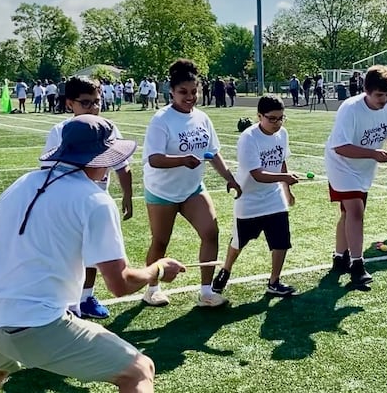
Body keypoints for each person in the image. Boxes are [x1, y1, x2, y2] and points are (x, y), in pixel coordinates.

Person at [0, 114, 187, 393]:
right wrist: (160, 269)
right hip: (34, 324)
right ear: (98, 158)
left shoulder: (20, 184)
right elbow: (120, 284)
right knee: (139, 370)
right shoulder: (94, 199)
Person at [141, 58, 241, 308]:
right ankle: (151, 289)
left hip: (192, 189)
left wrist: (230, 178)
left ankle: (206, 293)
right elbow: (154, 159)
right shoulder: (161, 119)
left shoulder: (202, 118)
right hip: (162, 191)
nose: (190, 97)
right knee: (161, 242)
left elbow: (213, 152)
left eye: (194, 91)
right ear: (171, 92)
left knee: (211, 232)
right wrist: (182, 160)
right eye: (183, 92)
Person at [41, 77, 135, 319]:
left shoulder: (108, 128)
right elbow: (48, 169)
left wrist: (128, 195)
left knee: (93, 253)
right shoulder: (60, 131)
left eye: (97, 102)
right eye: (86, 103)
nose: (93, 108)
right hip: (68, 205)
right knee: (70, 254)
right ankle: (66, 301)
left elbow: (122, 165)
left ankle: (86, 297)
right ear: (70, 103)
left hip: (96, 198)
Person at [212, 95, 298, 297]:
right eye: (272, 118)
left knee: (281, 241)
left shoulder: (282, 134)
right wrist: (284, 177)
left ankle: (274, 281)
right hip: (249, 199)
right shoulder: (248, 138)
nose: (277, 123)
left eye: (281, 118)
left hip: (274, 198)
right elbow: (257, 174)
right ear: (259, 116)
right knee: (239, 242)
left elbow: (281, 161)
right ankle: (226, 270)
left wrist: (287, 189)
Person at [325, 65, 387, 287]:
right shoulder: (350, 108)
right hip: (341, 164)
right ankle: (357, 266)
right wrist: (373, 154)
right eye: (379, 95)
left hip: (364, 166)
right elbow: (340, 147)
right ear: (366, 90)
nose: (384, 100)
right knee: (356, 211)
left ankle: (340, 257)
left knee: (349, 213)